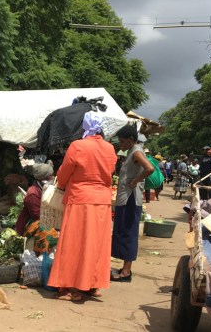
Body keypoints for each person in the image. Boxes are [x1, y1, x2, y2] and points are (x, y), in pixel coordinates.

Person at [48, 112, 117, 300]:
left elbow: (64, 173)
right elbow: (110, 172)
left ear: (84, 126)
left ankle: (72, 288)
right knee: (97, 244)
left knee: (74, 243)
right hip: (102, 201)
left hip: (80, 199)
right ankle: (93, 286)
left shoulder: (77, 146)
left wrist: (61, 185)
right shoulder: (110, 148)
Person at [110, 124, 154, 283]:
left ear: (131, 140)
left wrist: (135, 181)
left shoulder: (136, 151)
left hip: (130, 198)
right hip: (126, 198)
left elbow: (149, 168)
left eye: (122, 141)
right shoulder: (132, 151)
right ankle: (125, 268)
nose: (121, 145)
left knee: (128, 232)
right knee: (122, 231)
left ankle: (126, 272)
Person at [15, 161, 59, 255]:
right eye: (51, 176)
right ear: (45, 178)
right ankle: (43, 256)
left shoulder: (46, 188)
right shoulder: (33, 193)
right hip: (31, 222)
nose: (53, 177)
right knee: (48, 232)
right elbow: (36, 214)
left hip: (45, 218)